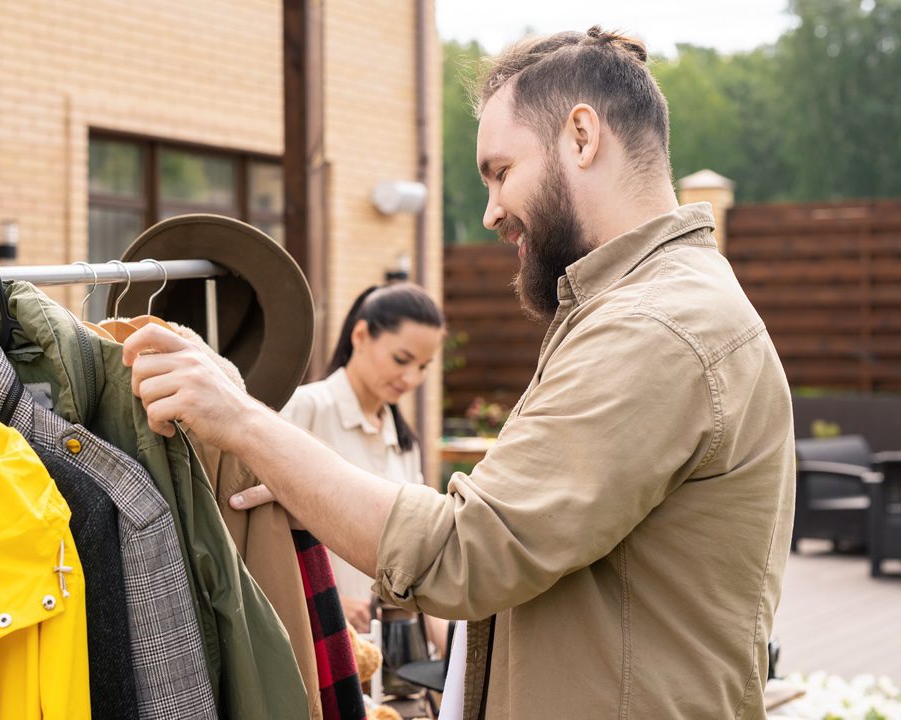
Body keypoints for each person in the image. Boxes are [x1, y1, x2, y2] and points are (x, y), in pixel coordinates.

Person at [123, 26, 794, 720]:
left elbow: (464, 552)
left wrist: (239, 419)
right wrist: (311, 489)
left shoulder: (653, 328)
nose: (491, 211)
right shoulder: (656, 307)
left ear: (582, 137)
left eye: (501, 171)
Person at [278, 282, 445, 648]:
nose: (412, 379)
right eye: (401, 360)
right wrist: (328, 604)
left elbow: (419, 556)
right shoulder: (304, 410)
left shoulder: (404, 442)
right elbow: (261, 534)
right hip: (315, 643)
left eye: (423, 367)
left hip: (392, 654)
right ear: (360, 336)